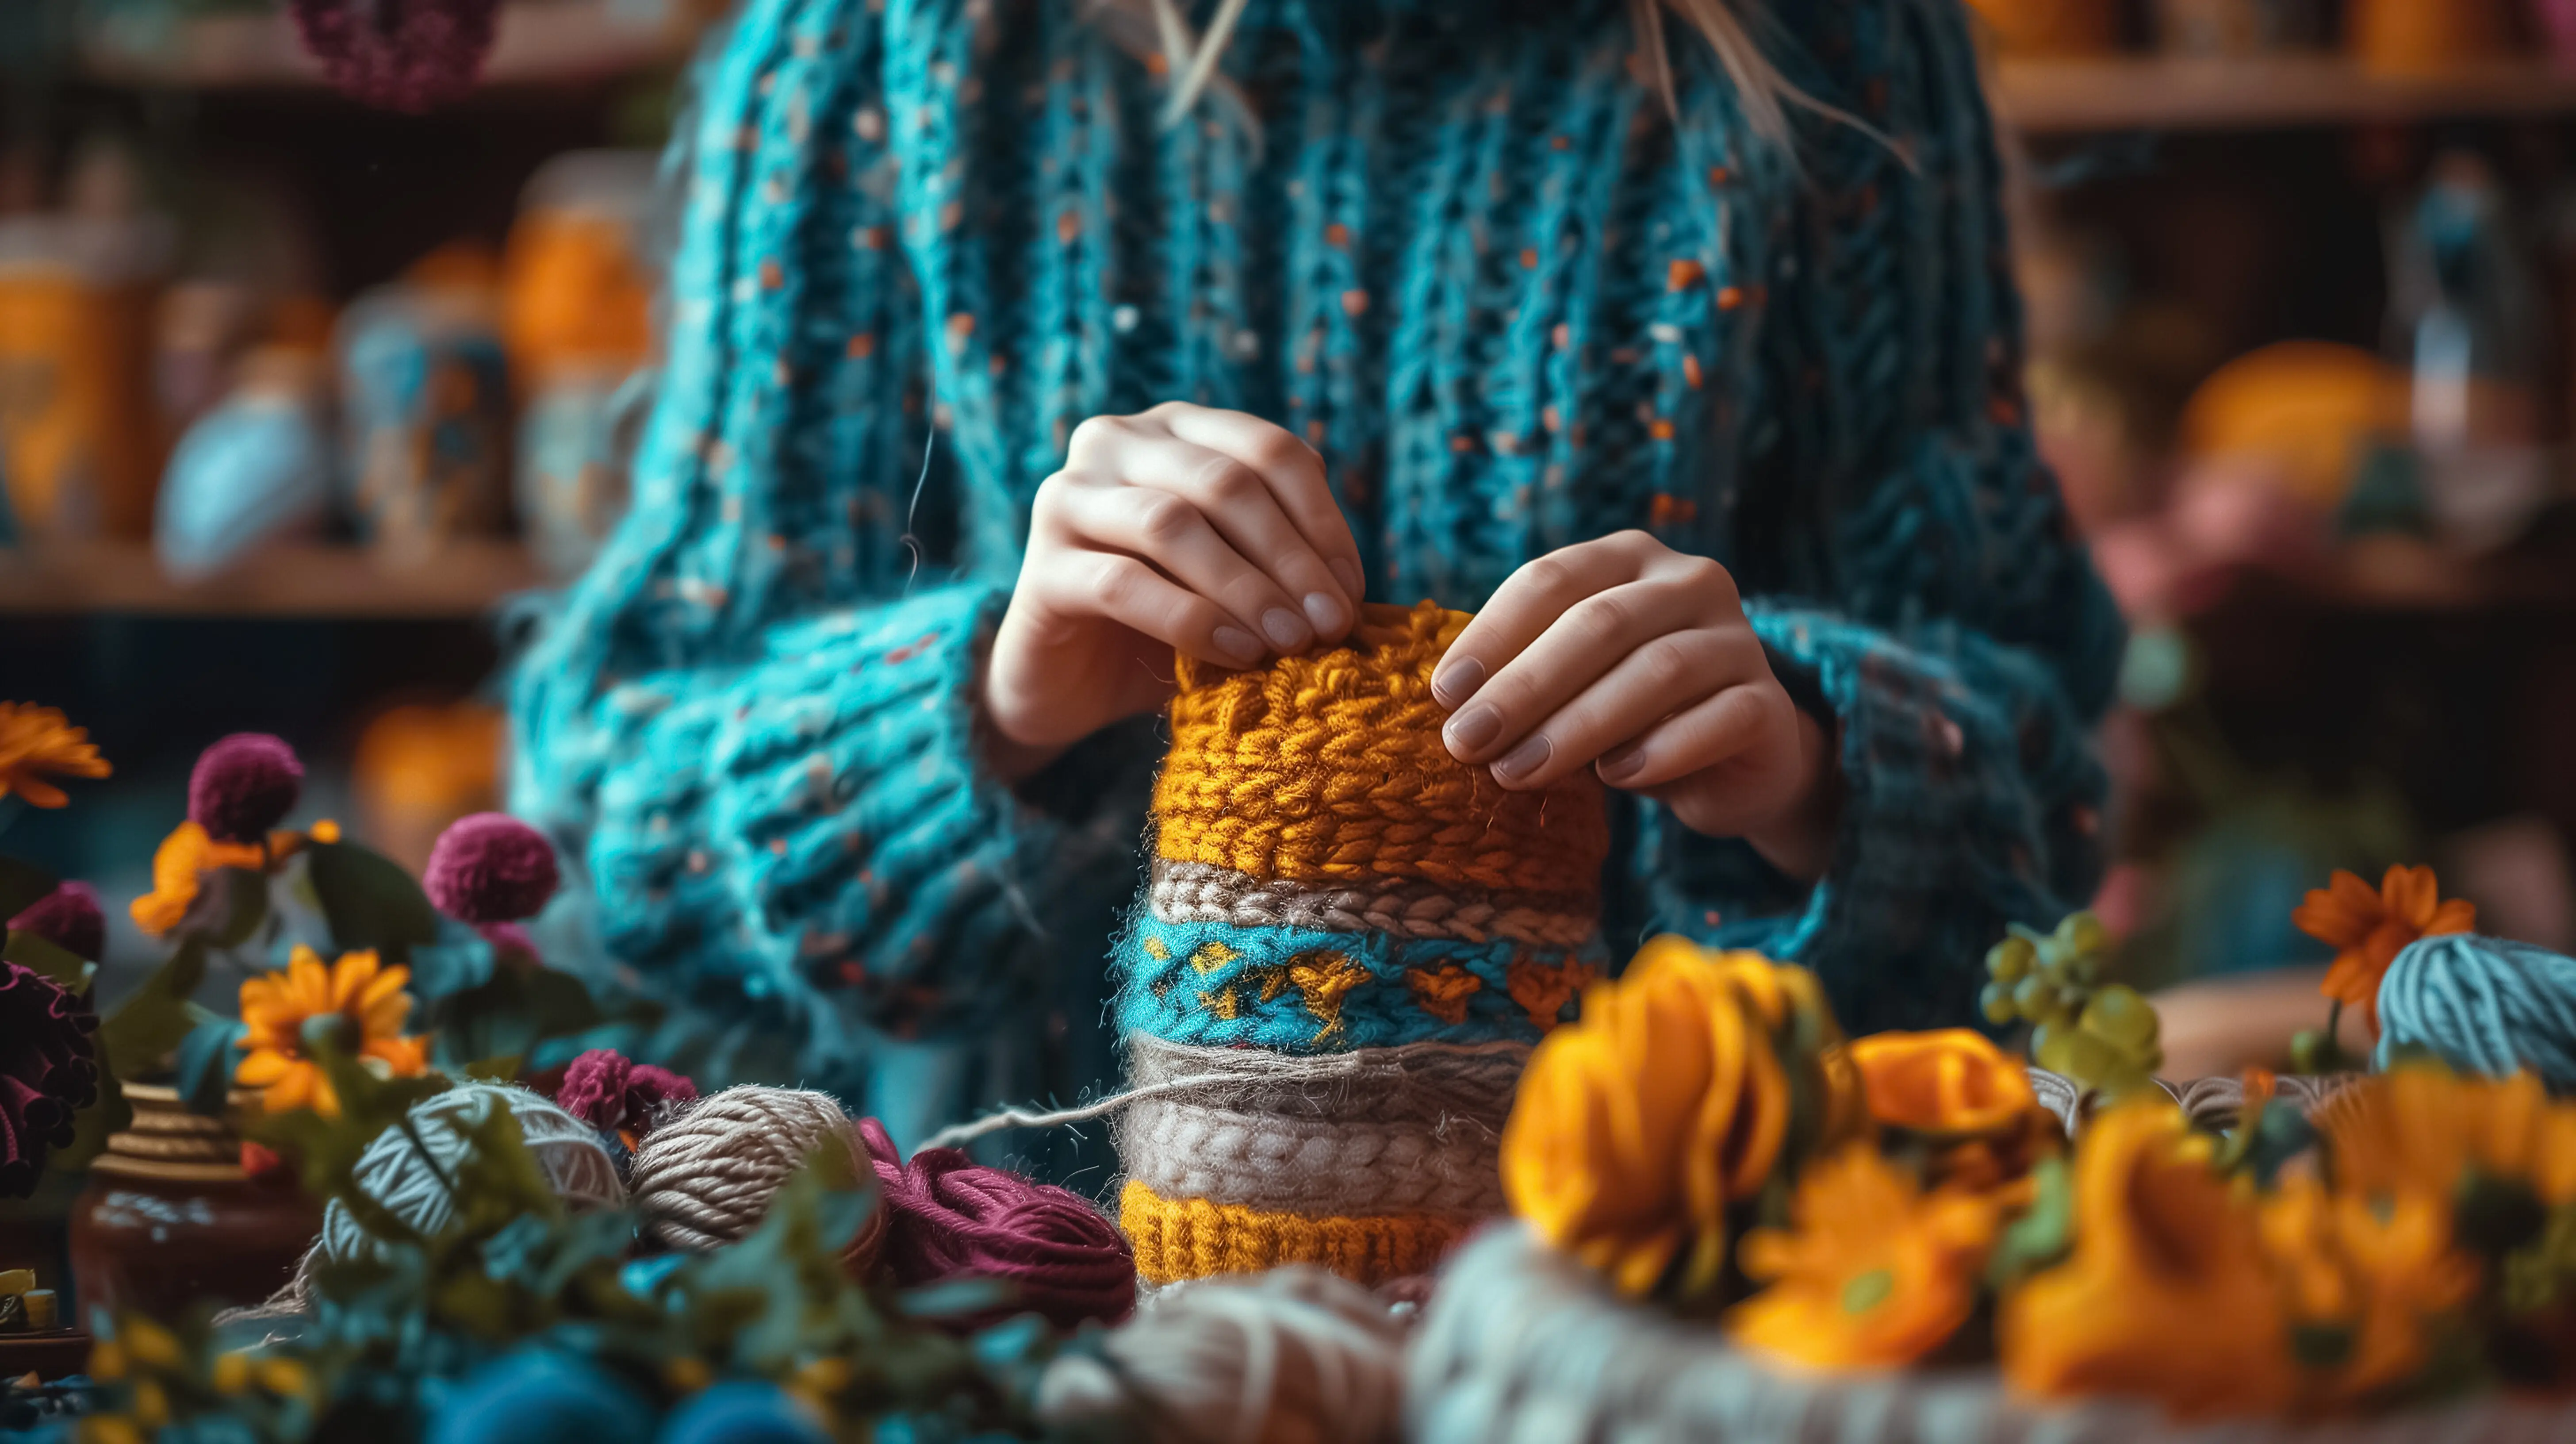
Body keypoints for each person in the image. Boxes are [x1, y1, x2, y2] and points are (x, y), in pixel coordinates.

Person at [511, 0, 2124, 1157]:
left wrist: (1816, 764)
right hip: (1028, 1285)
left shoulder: (1820, 41)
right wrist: (999, 700)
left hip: (1665, 1284)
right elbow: (608, 817)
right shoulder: (891, 47)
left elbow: (2038, 788)